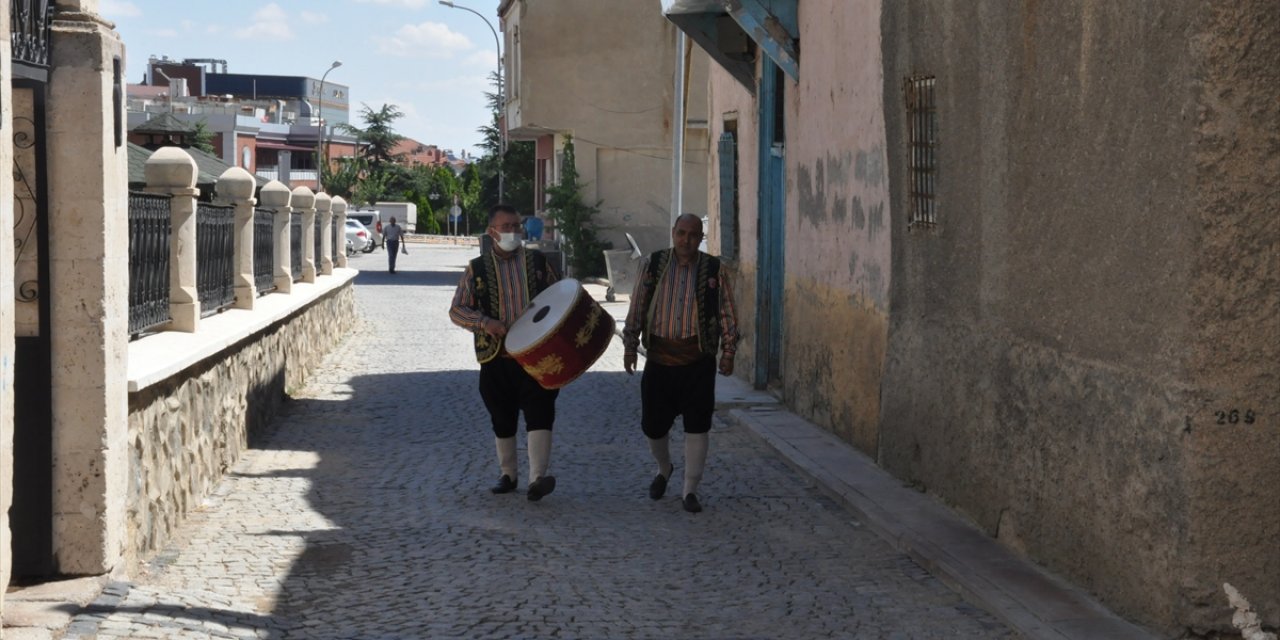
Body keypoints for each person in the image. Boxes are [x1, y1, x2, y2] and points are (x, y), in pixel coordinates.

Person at [623, 213, 739, 513]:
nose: (686, 240)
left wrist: (728, 351)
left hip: (697, 361)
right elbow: (637, 305)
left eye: (693, 235)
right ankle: (664, 468)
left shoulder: (714, 270)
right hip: (660, 360)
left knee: (697, 426)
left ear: (701, 238)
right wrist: (630, 345)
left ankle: (690, 490)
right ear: (673, 233)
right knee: (653, 426)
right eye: (681, 233)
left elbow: (727, 311)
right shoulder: (654, 265)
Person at [449, 204, 562, 501]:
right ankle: (508, 474)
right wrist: (485, 323)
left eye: (516, 226)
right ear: (492, 232)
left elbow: (561, 299)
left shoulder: (538, 263)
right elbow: (457, 310)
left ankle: (537, 478)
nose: (513, 231)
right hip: (496, 358)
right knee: (502, 417)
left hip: (536, 357)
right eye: (506, 226)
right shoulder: (477, 268)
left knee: (540, 413)